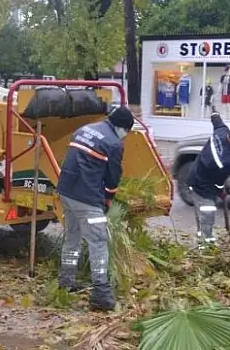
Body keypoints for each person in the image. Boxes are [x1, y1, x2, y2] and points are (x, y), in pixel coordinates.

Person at [56, 106, 134, 311]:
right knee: (98, 241)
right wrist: (108, 198)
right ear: (124, 128)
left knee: (72, 236)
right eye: (127, 131)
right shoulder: (114, 143)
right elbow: (113, 177)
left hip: (66, 190)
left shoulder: (84, 129)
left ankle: (66, 280)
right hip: (87, 197)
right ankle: (100, 292)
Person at [186, 106, 230, 248]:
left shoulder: (222, 131)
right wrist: (220, 190)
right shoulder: (229, 159)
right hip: (203, 188)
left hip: (193, 175)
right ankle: (205, 249)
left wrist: (214, 111)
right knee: (207, 216)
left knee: (203, 217)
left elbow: (216, 119)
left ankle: (205, 243)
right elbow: (219, 182)